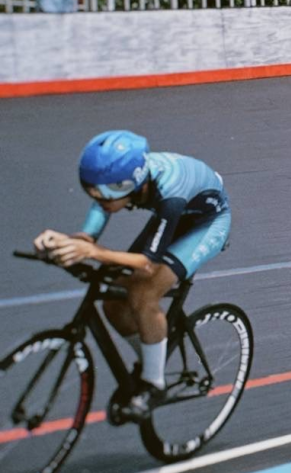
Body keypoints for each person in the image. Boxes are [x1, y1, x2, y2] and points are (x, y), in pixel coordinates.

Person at [33, 131, 232, 420]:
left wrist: (90, 252)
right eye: (90, 191)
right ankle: (154, 355)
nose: (95, 199)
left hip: (206, 224)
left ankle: (154, 384)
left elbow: (146, 264)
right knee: (113, 302)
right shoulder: (119, 181)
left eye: (100, 194)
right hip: (175, 213)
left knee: (143, 293)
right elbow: (87, 237)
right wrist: (62, 243)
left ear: (126, 185)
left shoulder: (170, 194)